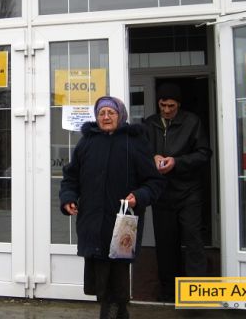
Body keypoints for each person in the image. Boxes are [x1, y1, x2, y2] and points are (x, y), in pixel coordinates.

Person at [60, 96, 166, 319]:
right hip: (93, 222)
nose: (106, 117)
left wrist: (139, 196)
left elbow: (154, 182)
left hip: (122, 223)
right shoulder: (86, 143)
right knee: (100, 277)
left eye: (111, 113)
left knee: (117, 278)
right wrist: (68, 197)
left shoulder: (135, 142)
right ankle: (116, 312)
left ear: (121, 115)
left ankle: (114, 312)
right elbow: (71, 177)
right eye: (101, 113)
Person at [142, 82, 212, 303]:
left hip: (189, 191)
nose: (166, 110)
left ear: (179, 104)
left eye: (171, 106)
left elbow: (204, 153)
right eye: (163, 105)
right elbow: (139, 152)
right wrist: (152, 157)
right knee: (165, 243)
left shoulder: (192, 122)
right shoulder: (149, 124)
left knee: (193, 239)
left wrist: (177, 162)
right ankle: (168, 291)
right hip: (161, 193)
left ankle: (196, 293)